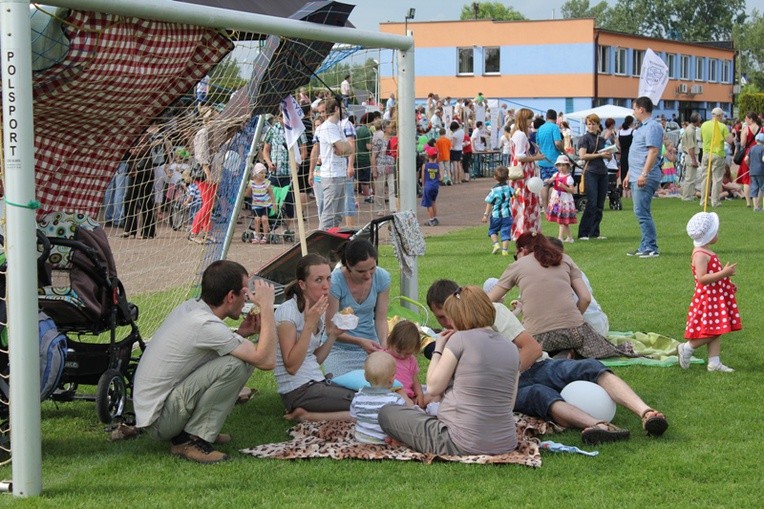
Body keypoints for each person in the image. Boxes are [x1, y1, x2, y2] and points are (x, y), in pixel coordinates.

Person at [427, 279, 668, 444]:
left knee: (589, 366)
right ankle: (600, 426)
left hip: (534, 366)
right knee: (538, 395)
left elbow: (531, 349)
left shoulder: (493, 313)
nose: (446, 322)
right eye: (440, 317)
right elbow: (442, 385)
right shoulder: (451, 339)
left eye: (447, 314)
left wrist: (509, 373)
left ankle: (647, 413)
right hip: (504, 389)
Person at [133, 261, 278, 463]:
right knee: (235, 365)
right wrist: (267, 307)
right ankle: (190, 440)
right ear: (230, 296)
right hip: (159, 422)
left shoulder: (192, 308)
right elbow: (266, 360)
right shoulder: (204, 324)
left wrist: (242, 333)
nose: (247, 299)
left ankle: (200, 427)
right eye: (245, 293)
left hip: (157, 412)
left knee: (241, 356)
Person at [378, 286, 521, 455]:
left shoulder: (460, 339)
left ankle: (406, 437)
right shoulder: (512, 349)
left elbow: (433, 387)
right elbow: (509, 403)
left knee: (387, 413)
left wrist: (438, 348)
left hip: (461, 442)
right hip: (505, 441)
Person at [488, 232, 634, 359]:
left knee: (511, 346)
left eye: (516, 254)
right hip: (575, 334)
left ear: (523, 250)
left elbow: (487, 300)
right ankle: (568, 351)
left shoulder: (517, 266)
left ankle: (555, 354)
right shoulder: (565, 259)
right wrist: (571, 320)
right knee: (567, 338)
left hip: (537, 337)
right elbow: (585, 298)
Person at [275, 254, 355, 421]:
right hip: (297, 391)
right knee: (365, 403)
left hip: (315, 383)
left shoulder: (318, 309)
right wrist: (309, 325)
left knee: (366, 395)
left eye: (328, 278)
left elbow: (313, 359)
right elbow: (292, 366)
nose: (326, 286)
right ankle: (306, 416)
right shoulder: (288, 313)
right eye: (318, 280)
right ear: (302, 284)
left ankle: (307, 414)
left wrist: (333, 335)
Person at [678, 212, 741, 373]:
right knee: (715, 329)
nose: (717, 234)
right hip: (707, 299)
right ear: (708, 236)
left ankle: (714, 362)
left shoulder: (707, 251)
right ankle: (687, 347)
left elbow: (713, 275)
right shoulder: (700, 254)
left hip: (716, 297)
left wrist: (727, 284)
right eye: (715, 232)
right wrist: (724, 274)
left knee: (716, 328)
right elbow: (702, 278)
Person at [323, 238, 391, 376]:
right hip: (338, 348)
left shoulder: (382, 277)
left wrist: (384, 344)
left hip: (371, 345)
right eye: (361, 271)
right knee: (345, 387)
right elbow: (330, 329)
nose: (368, 276)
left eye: (372, 268)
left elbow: (381, 319)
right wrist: (360, 342)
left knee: (385, 382)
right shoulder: (335, 282)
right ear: (348, 265)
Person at [624, 96, 664, 258]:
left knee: (642, 212)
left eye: (634, 108)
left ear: (641, 109)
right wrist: (628, 174)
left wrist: (644, 173)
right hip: (636, 174)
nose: (633, 112)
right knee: (640, 211)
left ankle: (650, 246)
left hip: (644, 176)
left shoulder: (652, 127)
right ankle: (645, 245)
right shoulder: (640, 128)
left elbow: (653, 151)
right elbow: (637, 153)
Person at [262, 111, 307, 236]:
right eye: (282, 117)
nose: (284, 119)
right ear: (278, 117)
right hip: (275, 173)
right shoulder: (272, 130)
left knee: (289, 202)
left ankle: (287, 229)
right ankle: (270, 227)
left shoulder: (297, 130)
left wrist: (298, 163)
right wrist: (269, 163)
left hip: (289, 174)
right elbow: (265, 150)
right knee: (272, 200)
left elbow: (304, 151)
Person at [350, 351, 407, 444]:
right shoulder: (396, 399)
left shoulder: (358, 396)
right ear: (392, 378)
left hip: (361, 437)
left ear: (365, 377)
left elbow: (353, 418)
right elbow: (403, 422)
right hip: (383, 438)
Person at [315, 97, 353, 230]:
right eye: (343, 108)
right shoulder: (327, 127)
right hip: (331, 176)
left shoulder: (337, 127)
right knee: (329, 215)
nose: (345, 110)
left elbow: (349, 149)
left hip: (340, 174)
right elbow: (343, 148)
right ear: (336, 109)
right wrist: (343, 148)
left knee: (337, 216)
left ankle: (331, 242)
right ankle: (318, 245)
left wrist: (343, 148)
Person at [509, 108, 546, 240]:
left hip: (524, 173)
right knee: (524, 202)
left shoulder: (518, 134)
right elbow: (520, 157)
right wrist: (537, 158)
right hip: (523, 174)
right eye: (529, 119)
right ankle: (523, 231)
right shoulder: (521, 135)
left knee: (523, 202)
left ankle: (525, 230)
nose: (531, 122)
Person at [577, 113, 612, 241]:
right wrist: (599, 155)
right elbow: (582, 156)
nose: (591, 126)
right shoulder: (584, 139)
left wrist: (608, 155)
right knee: (591, 202)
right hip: (591, 172)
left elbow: (607, 155)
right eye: (589, 124)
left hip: (602, 172)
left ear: (598, 125)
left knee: (600, 204)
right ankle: (583, 232)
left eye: (593, 124)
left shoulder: (601, 139)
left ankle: (594, 232)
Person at [699, 107, 735, 208]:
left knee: (705, 178)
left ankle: (703, 201)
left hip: (706, 153)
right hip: (718, 154)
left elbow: (701, 138)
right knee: (717, 179)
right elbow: (729, 141)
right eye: (722, 116)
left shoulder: (704, 125)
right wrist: (732, 134)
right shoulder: (722, 126)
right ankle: (715, 201)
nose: (722, 117)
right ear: (719, 116)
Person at [384, 320, 425, 407]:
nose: (402, 356)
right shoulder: (383, 356)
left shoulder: (411, 360)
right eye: (398, 351)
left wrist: (419, 394)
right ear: (390, 341)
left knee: (434, 395)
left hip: (409, 396)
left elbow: (415, 380)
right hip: (390, 393)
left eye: (408, 353)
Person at [482, 166, 513, 256]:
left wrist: (485, 215)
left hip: (496, 215)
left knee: (492, 230)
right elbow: (514, 194)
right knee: (506, 232)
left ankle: (496, 244)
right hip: (507, 215)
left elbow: (489, 202)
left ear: (495, 177)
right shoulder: (509, 188)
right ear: (507, 177)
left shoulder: (493, 191)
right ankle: (505, 250)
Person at [545, 155, 577, 244]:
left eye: (563, 165)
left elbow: (572, 190)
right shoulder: (556, 174)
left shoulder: (569, 178)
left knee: (562, 219)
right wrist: (547, 181)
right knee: (563, 220)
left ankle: (560, 237)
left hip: (565, 199)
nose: (561, 168)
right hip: (557, 199)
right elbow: (550, 181)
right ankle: (569, 237)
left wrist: (563, 187)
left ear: (567, 166)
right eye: (559, 165)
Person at [536, 109, 564, 209]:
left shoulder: (540, 129)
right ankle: (555, 206)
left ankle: (545, 207)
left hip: (543, 161)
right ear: (556, 119)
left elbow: (538, 145)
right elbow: (557, 143)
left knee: (545, 184)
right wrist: (563, 151)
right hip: (554, 161)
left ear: (547, 117)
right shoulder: (555, 128)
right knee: (556, 184)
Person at [244, 163, 275, 244]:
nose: (263, 174)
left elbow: (271, 194)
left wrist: (274, 204)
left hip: (266, 204)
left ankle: (265, 236)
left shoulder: (267, 183)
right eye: (261, 173)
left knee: (264, 219)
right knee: (257, 219)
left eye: (265, 173)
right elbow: (247, 194)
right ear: (256, 174)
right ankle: (257, 236)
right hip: (256, 205)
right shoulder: (252, 183)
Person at [371, 119, 396, 216]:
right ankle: (380, 208)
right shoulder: (379, 141)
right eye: (389, 127)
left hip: (390, 166)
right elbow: (373, 156)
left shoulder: (393, 139)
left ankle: (393, 208)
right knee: (380, 189)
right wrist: (374, 170)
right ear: (385, 129)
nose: (391, 129)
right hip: (380, 167)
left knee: (392, 187)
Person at [736, 112, 761, 207]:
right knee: (759, 178)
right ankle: (757, 202)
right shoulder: (762, 128)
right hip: (760, 152)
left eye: (746, 118)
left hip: (748, 153)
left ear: (751, 119)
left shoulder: (746, 129)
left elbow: (742, 144)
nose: (745, 120)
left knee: (746, 179)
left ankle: (748, 202)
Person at [680, 113, 701, 201]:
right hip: (691, 155)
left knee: (692, 177)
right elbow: (691, 147)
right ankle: (686, 196)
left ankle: (690, 195)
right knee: (690, 177)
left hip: (690, 155)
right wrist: (694, 160)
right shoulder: (691, 131)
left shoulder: (690, 129)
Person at [421, 144, 442, 226]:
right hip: (435, 186)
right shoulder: (437, 166)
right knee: (433, 202)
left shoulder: (425, 166)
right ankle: (435, 217)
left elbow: (423, 177)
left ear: (427, 156)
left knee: (428, 204)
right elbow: (441, 177)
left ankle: (431, 219)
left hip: (428, 186)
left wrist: (423, 185)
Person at [745, 132, 764, 211]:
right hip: (761, 171)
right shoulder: (763, 148)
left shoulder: (752, 148)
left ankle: (755, 207)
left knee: (754, 188)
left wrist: (750, 166)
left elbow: (746, 159)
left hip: (752, 171)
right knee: (763, 188)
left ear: (756, 140)